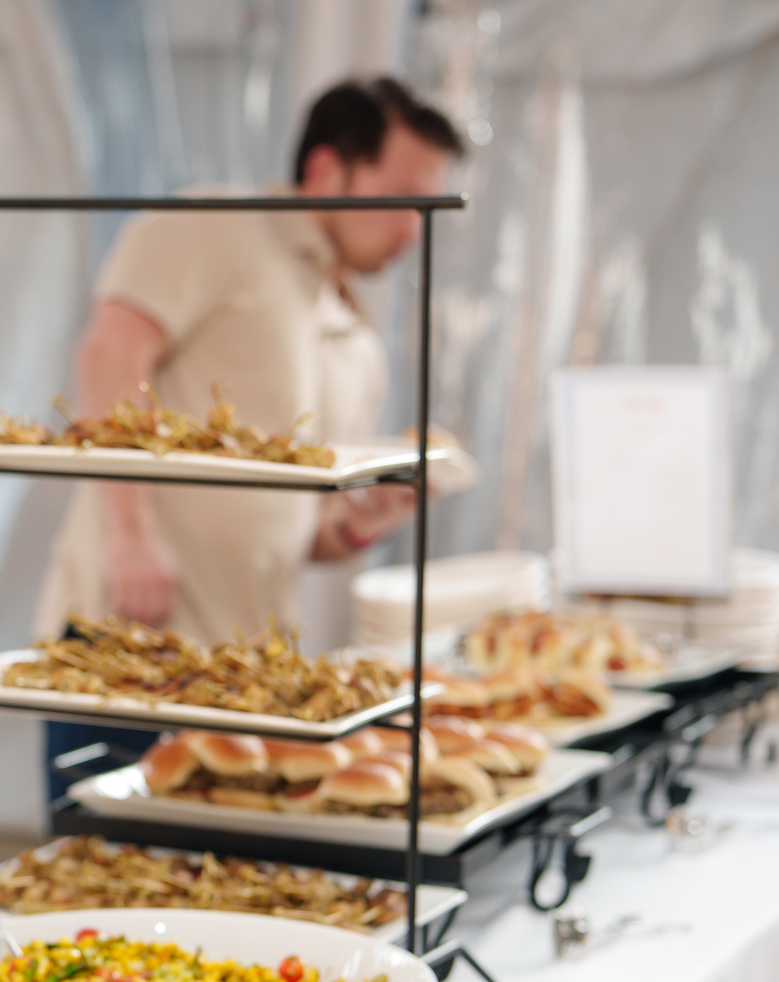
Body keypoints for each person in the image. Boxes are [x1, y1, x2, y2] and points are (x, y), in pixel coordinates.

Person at [34, 77, 465, 799]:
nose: (412, 229)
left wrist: (365, 523)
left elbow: (308, 530)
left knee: (217, 891)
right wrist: (130, 534)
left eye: (428, 205)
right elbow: (109, 355)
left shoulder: (357, 340)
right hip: (130, 642)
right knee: (102, 881)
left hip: (250, 670)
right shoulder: (220, 225)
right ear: (327, 169)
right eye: (401, 196)